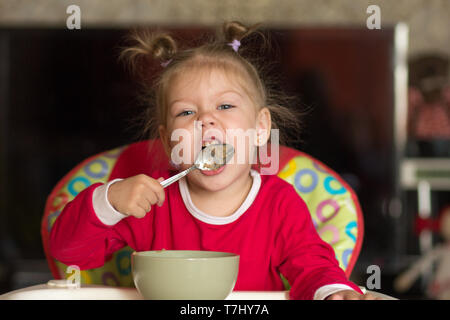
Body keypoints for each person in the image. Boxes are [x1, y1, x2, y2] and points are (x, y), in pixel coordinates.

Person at [49, 21, 376, 300]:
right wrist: (110, 201)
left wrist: (332, 290)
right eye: (187, 112)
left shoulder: (279, 204)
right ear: (168, 141)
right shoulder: (150, 202)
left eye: (225, 107)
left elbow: (314, 267)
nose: (205, 120)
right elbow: (69, 253)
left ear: (260, 129)